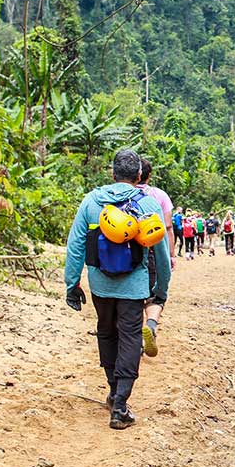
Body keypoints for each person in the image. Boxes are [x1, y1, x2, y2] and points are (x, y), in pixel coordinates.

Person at [64, 149, 170, 430]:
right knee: (130, 337)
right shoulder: (148, 204)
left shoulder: (91, 201)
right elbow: (160, 250)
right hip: (134, 286)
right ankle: (121, 404)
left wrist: (71, 284)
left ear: (112, 174)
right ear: (138, 176)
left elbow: (75, 246)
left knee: (107, 331)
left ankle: (113, 390)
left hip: (100, 283)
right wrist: (162, 287)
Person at [135, 157, 173, 358]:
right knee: (155, 296)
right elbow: (167, 228)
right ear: (148, 175)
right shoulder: (159, 196)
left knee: (132, 297)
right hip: (151, 251)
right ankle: (150, 325)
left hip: (127, 251)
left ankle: (134, 339)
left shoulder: (120, 194)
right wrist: (171, 255)